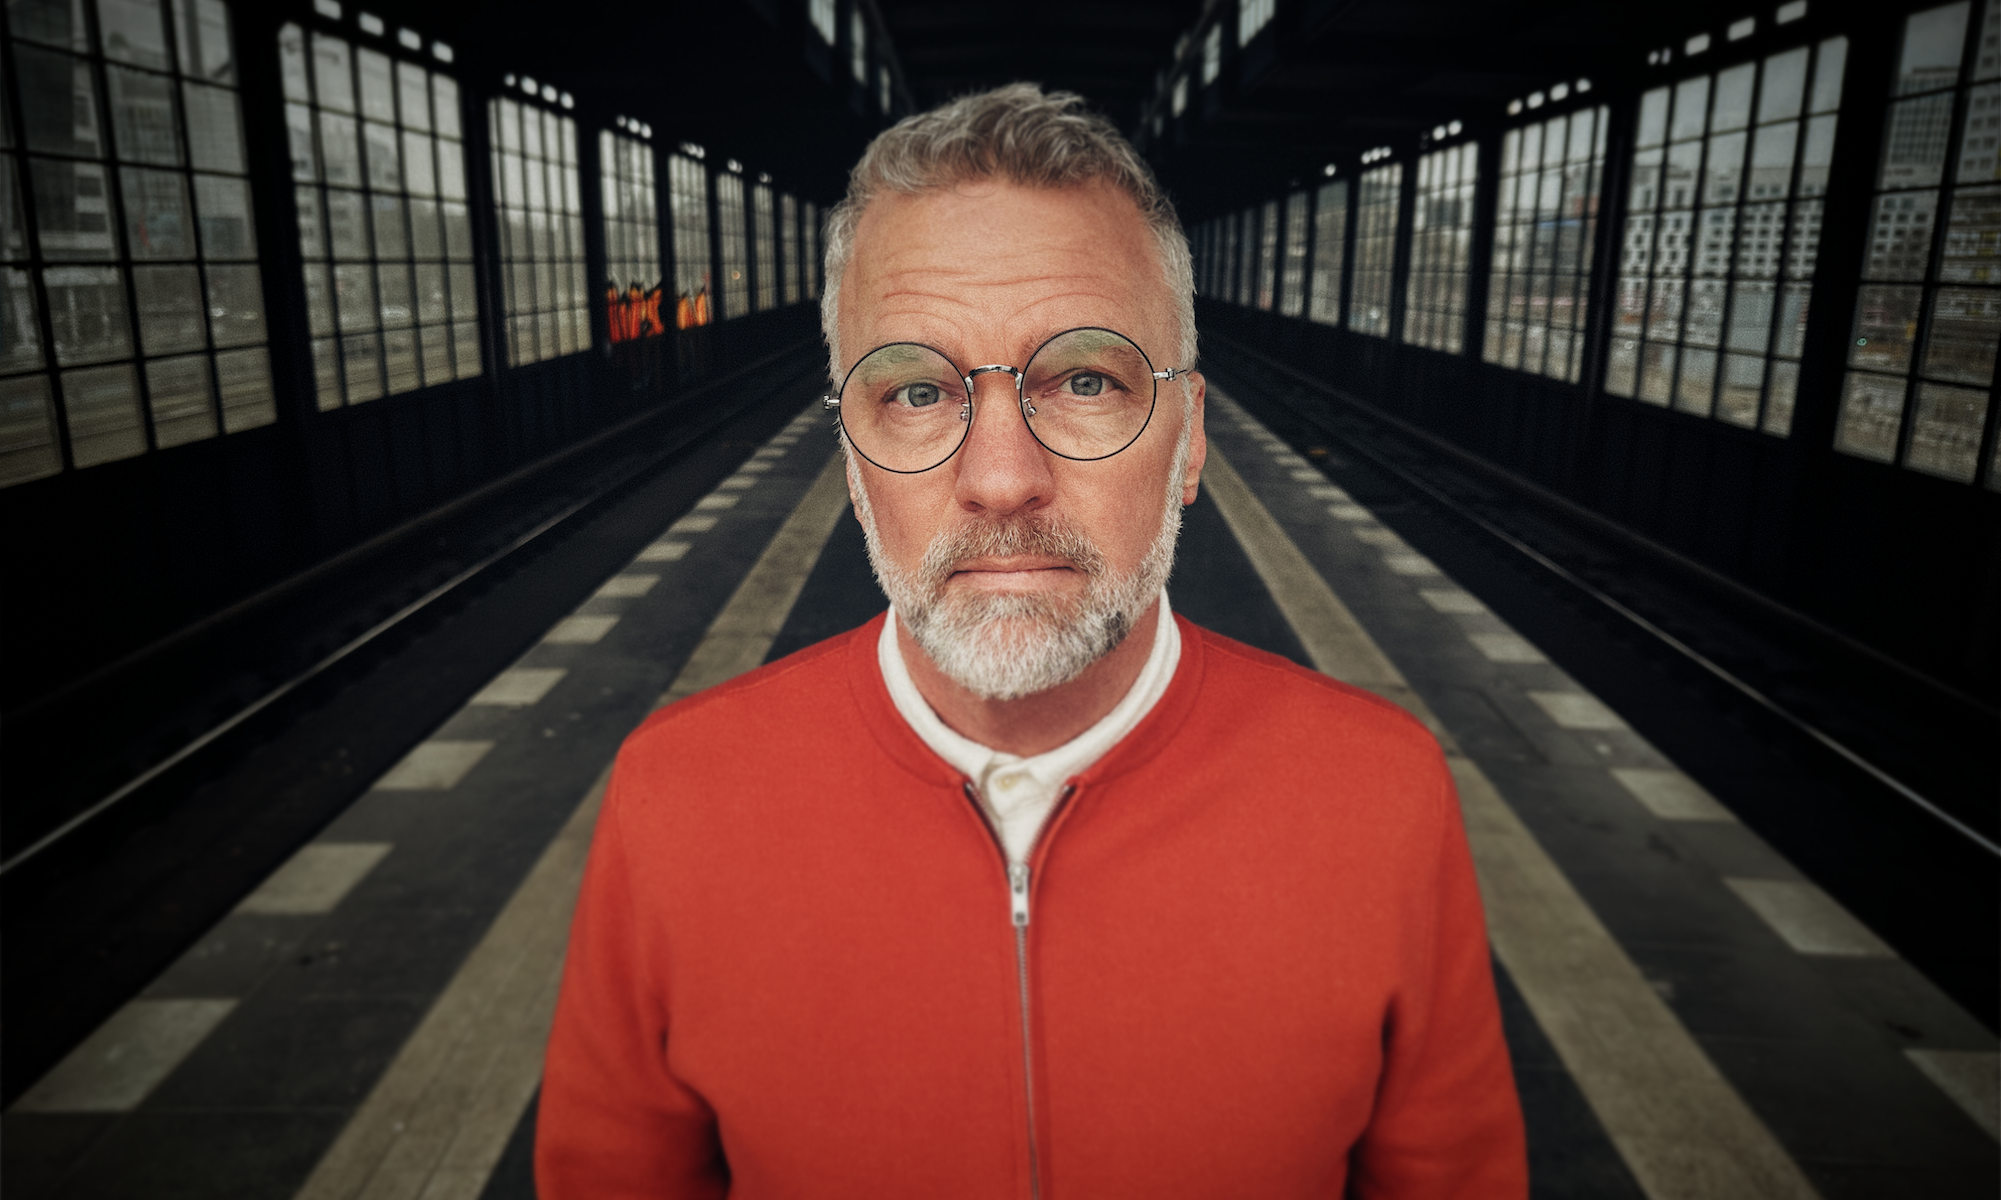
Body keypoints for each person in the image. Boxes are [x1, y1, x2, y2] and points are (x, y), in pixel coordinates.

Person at [537, 84, 1526, 1198]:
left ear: (1189, 439)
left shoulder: (1383, 800)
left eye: (1089, 379)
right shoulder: (674, 802)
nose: (1001, 479)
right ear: (851, 459)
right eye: (916, 391)